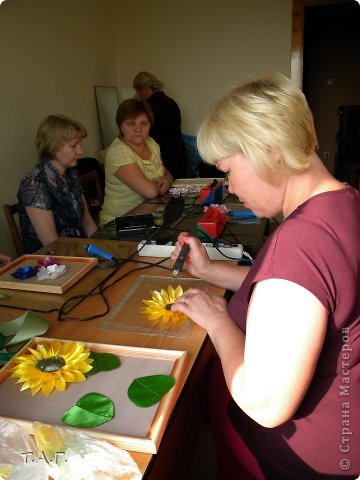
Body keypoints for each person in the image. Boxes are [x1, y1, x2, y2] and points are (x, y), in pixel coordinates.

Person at [171, 73, 360, 479]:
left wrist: (217, 319)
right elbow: (292, 294)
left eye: (228, 170)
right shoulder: (343, 201)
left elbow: (266, 404)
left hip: (299, 459)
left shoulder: (301, 242)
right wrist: (208, 271)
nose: (230, 187)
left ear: (268, 150)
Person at [17, 115, 98, 253]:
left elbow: (88, 223)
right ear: (52, 147)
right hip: (49, 265)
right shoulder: (34, 184)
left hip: (79, 250)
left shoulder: (71, 174)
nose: (80, 151)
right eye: (73, 145)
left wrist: (102, 251)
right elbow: (52, 245)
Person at [99, 99, 173, 225]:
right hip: (119, 223)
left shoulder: (151, 143)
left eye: (143, 123)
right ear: (121, 126)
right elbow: (150, 192)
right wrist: (161, 185)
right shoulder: (118, 152)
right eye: (131, 124)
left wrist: (165, 180)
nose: (138, 129)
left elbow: (168, 175)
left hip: (150, 218)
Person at [133, 71, 188, 179]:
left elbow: (146, 135)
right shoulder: (172, 102)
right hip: (180, 154)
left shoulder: (148, 108)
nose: (138, 96)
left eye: (138, 92)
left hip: (163, 157)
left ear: (144, 89)